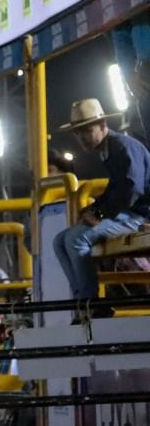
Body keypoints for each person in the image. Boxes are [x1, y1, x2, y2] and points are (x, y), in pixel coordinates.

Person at [50, 98, 150, 317]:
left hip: (141, 216)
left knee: (75, 239)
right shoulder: (113, 148)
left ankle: (91, 304)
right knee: (59, 241)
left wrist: (99, 212)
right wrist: (93, 210)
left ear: (103, 126)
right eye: (78, 132)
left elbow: (131, 190)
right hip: (132, 213)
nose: (82, 137)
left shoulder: (122, 147)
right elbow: (119, 189)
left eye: (87, 130)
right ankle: (82, 303)